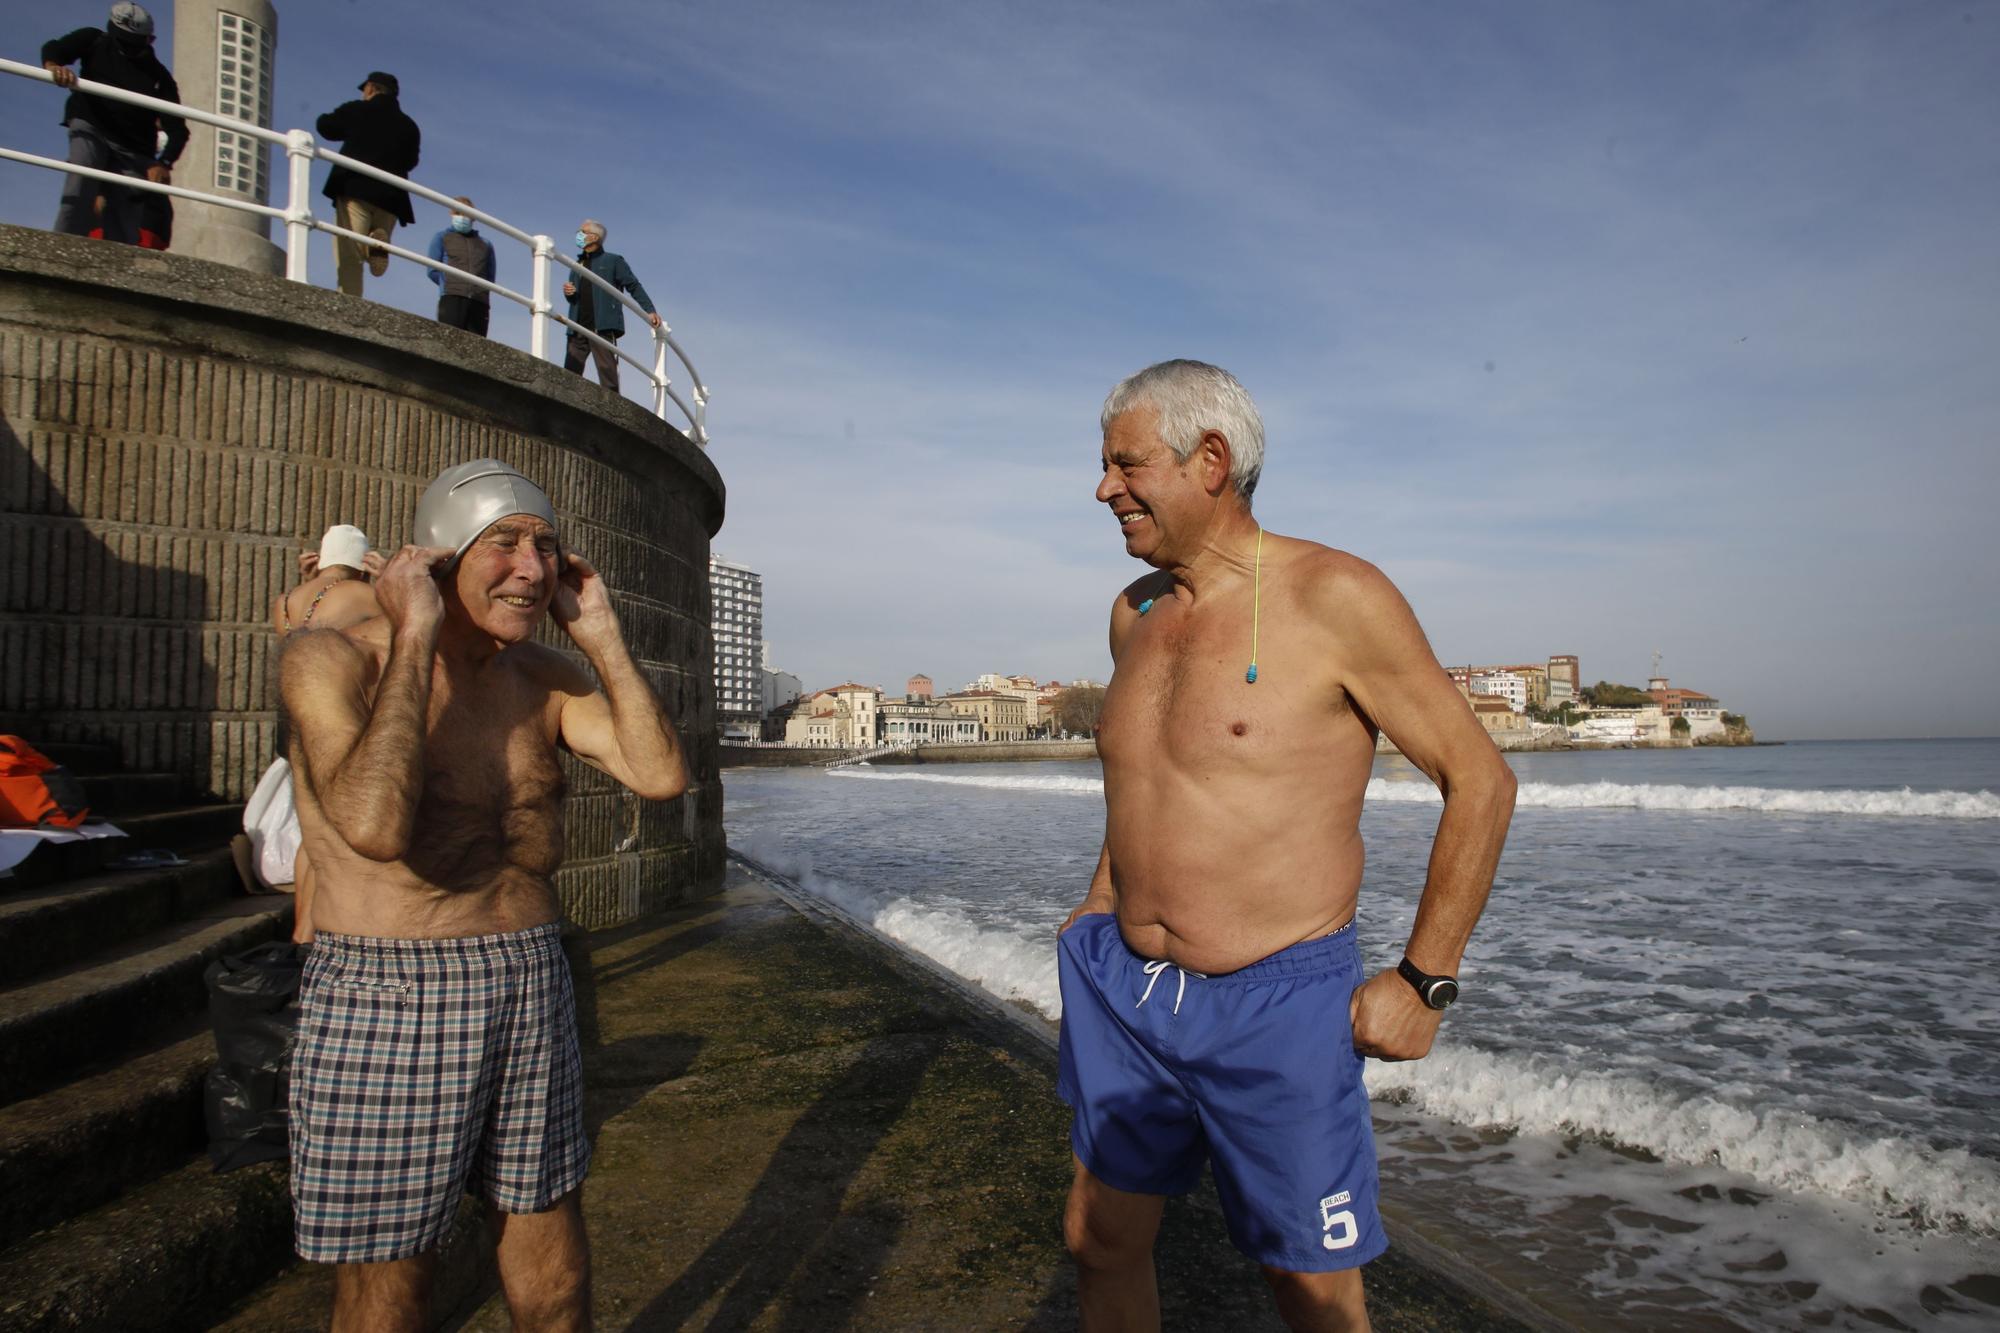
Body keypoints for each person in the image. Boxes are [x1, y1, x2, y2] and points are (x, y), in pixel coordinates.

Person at [1058, 360, 1516, 1332]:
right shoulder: (1130, 614)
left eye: (1124, 465)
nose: (1103, 488)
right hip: (1126, 991)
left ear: (1210, 460)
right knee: (1098, 1240)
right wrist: (1099, 902)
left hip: (1275, 998)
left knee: (1306, 1283)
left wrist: (1423, 978)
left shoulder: (1334, 596)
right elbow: (1144, 780)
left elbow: (1479, 778)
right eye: (1102, 467)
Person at [280, 459, 687, 1328]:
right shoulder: (330, 660)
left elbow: (657, 775)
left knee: (555, 1272)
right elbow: (376, 825)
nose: (533, 570)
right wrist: (417, 633)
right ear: (435, 556)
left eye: (546, 547)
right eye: (503, 544)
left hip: (530, 978)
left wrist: (605, 637)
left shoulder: (543, 677)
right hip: (389, 989)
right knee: (392, 1283)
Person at [41, 3, 188, 247]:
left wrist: (164, 163)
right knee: (81, 183)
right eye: (124, 42)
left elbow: (178, 128)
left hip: (133, 148)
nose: (128, 50)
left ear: (149, 40)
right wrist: (53, 65)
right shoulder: (93, 40)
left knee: (126, 213)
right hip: (90, 126)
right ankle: (60, 249)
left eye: (135, 44)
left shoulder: (159, 77)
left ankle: (120, 266)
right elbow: (56, 48)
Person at [315, 72, 421, 298]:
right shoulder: (409, 126)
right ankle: (377, 241)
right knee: (366, 241)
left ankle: (350, 303)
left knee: (349, 253)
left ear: (371, 88)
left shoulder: (358, 110)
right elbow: (411, 162)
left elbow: (327, 127)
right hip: (392, 199)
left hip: (355, 188)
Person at [561, 220, 661, 393]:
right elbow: (574, 299)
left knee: (608, 375)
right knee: (570, 373)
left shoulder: (613, 261)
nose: (578, 235)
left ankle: (613, 412)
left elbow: (633, 286)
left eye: (582, 232)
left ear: (594, 237)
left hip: (603, 325)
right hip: (577, 326)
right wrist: (569, 293)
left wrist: (650, 310)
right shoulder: (577, 265)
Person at [425, 196, 497, 337]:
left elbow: (490, 276)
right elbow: (432, 270)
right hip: (452, 297)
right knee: (448, 343)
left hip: (479, 302)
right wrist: (449, 283)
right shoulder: (441, 237)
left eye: (467, 213)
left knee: (477, 350)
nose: (463, 217)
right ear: (451, 214)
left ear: (474, 217)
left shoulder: (486, 244)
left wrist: (480, 290)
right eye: (458, 213)